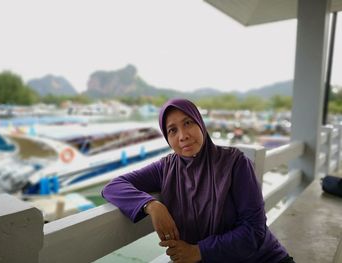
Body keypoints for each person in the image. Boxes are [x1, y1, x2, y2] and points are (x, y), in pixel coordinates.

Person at [102, 98, 295, 263]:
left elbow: (254, 231)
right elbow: (113, 187)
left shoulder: (235, 163)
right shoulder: (165, 168)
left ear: (200, 123)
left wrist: (198, 251)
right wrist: (152, 206)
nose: (183, 136)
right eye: (172, 130)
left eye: (188, 123)